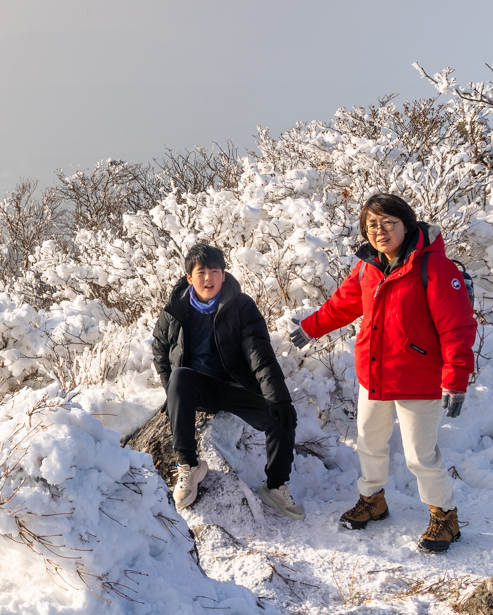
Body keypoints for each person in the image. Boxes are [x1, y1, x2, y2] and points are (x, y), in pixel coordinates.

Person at [289, 193, 476, 553]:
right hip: (374, 375)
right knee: (369, 443)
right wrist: (312, 327)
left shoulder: (435, 267)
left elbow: (457, 328)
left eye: (389, 222)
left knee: (420, 455)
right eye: (372, 224)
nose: (380, 230)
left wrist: (456, 379)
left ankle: (445, 517)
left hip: (418, 378)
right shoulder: (368, 267)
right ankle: (373, 500)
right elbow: (342, 304)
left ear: (406, 225)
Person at [151, 242, 302, 519]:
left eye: (214, 271)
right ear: (189, 277)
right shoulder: (175, 309)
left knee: (282, 416)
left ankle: (276, 486)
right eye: (201, 272)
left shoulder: (241, 307)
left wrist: (278, 398)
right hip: (196, 386)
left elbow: (260, 355)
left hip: (237, 386)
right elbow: (160, 350)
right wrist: (172, 393)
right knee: (179, 377)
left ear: (223, 274)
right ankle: (189, 466)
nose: (208, 278)